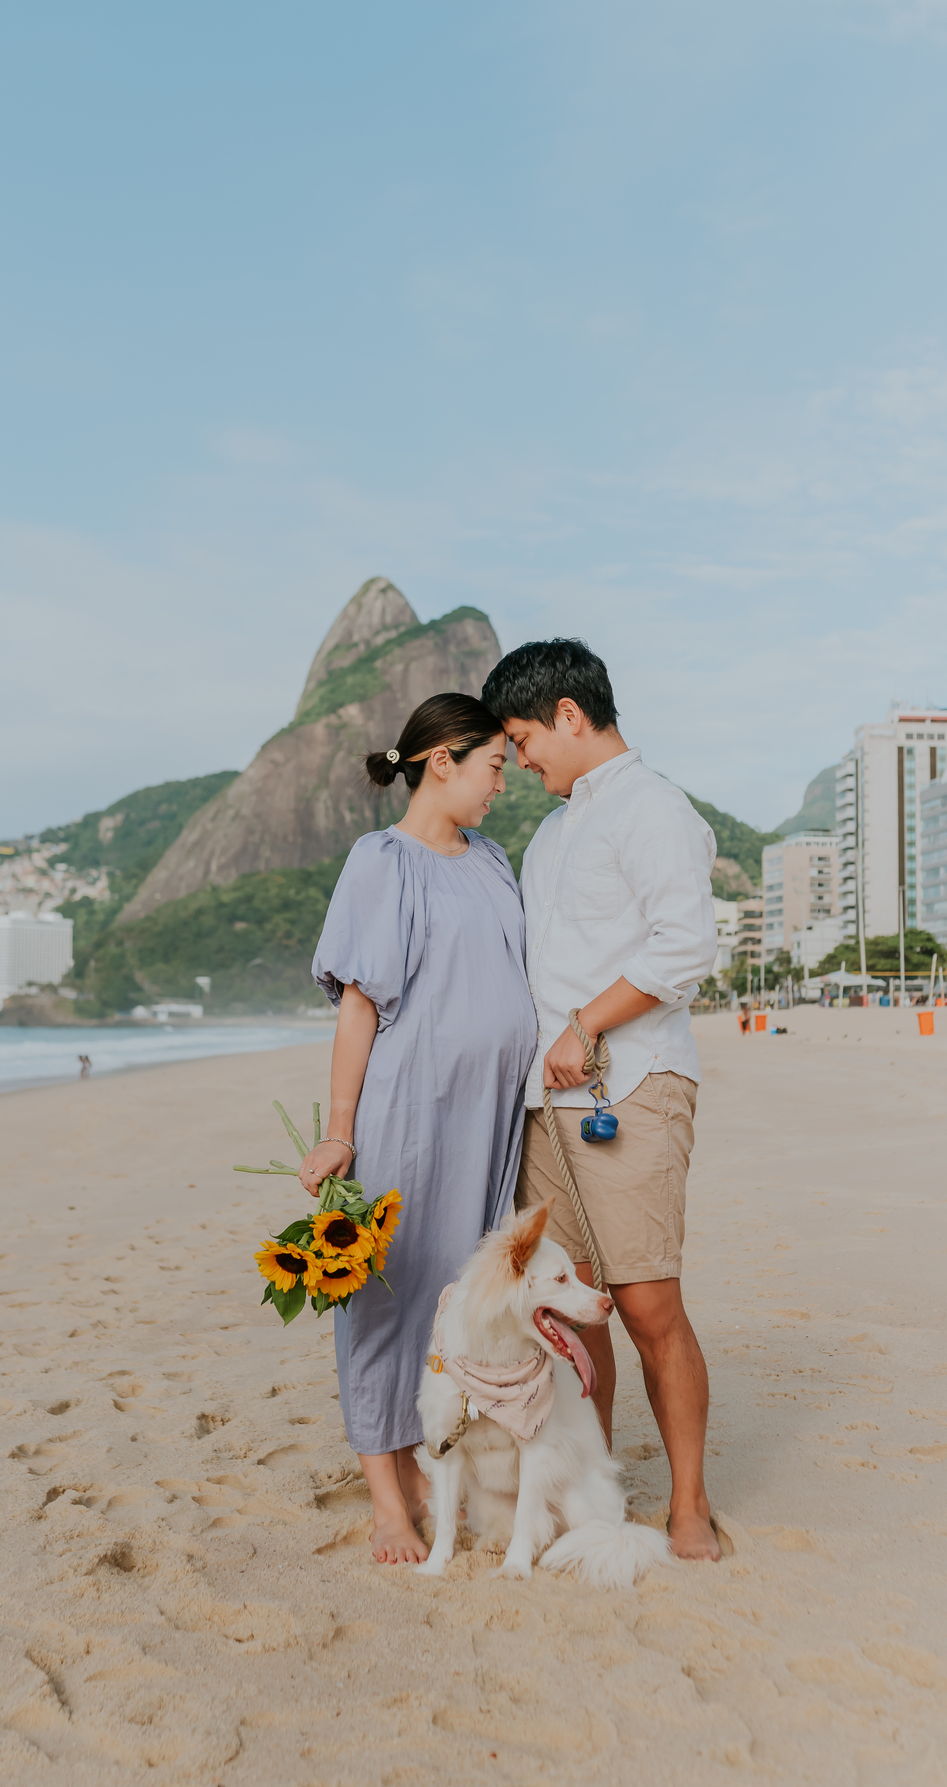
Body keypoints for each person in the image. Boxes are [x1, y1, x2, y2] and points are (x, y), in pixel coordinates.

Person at [482, 639, 722, 1562]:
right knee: (575, 1311)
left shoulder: (653, 807)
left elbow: (683, 947)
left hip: (631, 1087)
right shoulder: (550, 833)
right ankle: (600, 1495)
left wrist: (583, 1028)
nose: (522, 757)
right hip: (548, 1110)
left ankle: (691, 1506)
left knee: (648, 1301)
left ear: (570, 716)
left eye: (524, 736)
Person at [301, 693, 537, 1565]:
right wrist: (337, 1130)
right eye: (493, 767)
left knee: (457, 1294)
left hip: (490, 1120)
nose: (499, 786)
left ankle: (443, 1467)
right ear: (444, 758)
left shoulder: (495, 860)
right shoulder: (382, 862)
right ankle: (388, 1501)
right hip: (411, 1111)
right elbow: (360, 1005)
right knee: (390, 1297)